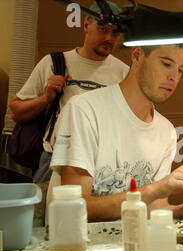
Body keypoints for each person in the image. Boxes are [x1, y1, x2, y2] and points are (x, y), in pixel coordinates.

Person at [48, 44, 183, 223]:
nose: (174, 77)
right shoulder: (84, 110)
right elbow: (72, 211)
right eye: (166, 64)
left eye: (180, 70)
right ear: (137, 55)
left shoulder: (166, 131)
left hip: (133, 246)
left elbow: (153, 211)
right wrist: (158, 187)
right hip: (76, 249)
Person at [9, 1, 129, 183]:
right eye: (103, 29)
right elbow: (16, 111)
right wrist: (44, 99)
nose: (109, 38)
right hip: (56, 161)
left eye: (115, 32)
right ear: (86, 25)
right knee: (46, 211)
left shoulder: (124, 73)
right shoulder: (54, 63)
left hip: (104, 166)